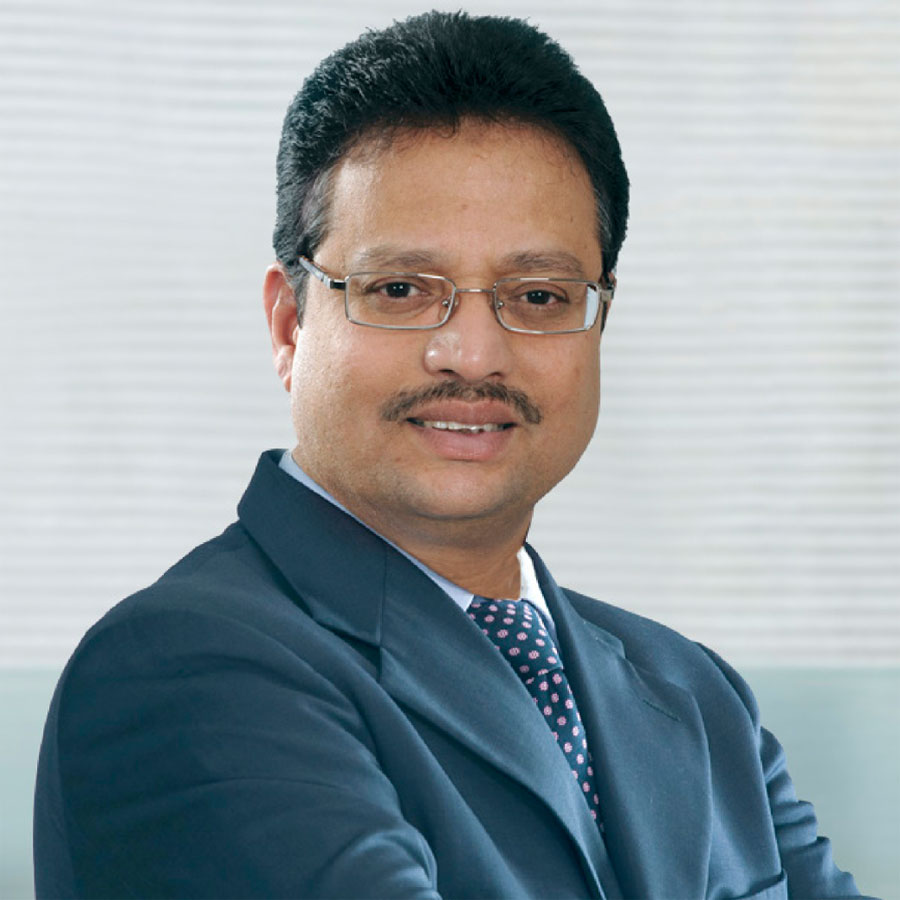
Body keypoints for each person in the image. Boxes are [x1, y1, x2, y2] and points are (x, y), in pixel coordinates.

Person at [33, 11, 870, 900]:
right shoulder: (188, 667)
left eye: (539, 295)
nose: (473, 356)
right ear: (289, 325)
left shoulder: (696, 696)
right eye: (400, 289)